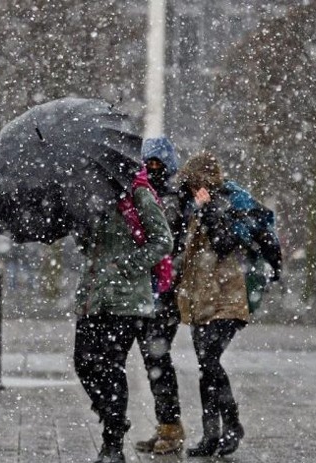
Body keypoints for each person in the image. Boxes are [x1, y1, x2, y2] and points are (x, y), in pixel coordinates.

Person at [175, 151, 280, 457]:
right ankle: (211, 435)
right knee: (206, 367)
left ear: (205, 180)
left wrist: (209, 211)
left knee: (209, 361)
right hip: (201, 297)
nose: (192, 189)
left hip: (229, 296)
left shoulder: (228, 203)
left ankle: (232, 425)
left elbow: (223, 244)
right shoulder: (194, 206)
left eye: (194, 183)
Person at [73, 163, 173, 463]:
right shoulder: (91, 195)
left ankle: (113, 444)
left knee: (111, 366)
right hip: (93, 296)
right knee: (84, 363)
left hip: (127, 300)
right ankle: (114, 418)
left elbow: (163, 241)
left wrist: (128, 266)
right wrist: (82, 228)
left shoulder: (138, 193)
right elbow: (90, 248)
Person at [133, 136, 187, 455]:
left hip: (164, 292)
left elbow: (166, 242)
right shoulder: (149, 194)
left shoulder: (170, 198)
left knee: (158, 359)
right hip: (152, 291)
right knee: (154, 359)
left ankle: (170, 427)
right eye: (148, 163)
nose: (153, 169)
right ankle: (166, 425)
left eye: (158, 164)